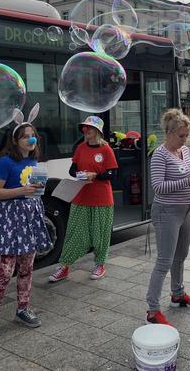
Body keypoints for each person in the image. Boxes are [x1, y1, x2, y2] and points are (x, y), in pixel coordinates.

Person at [0, 104, 52, 342]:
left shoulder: (34, 160)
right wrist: (22, 189)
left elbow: (33, 192)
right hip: (10, 220)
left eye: (33, 136)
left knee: (27, 267)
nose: (31, 139)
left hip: (29, 217)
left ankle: (23, 309)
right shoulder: (5, 162)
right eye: (26, 136)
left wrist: (36, 191)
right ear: (16, 140)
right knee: (4, 270)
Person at [146, 108, 190, 326]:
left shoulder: (185, 151)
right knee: (164, 261)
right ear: (169, 133)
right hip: (167, 212)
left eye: (186, 136)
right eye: (181, 136)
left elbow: (188, 175)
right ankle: (153, 309)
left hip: (185, 209)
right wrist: (187, 182)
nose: (184, 140)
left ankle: (178, 293)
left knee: (181, 255)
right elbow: (158, 187)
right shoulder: (159, 154)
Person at [49, 116, 118, 282]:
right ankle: (64, 266)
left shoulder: (106, 150)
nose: (86, 131)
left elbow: (113, 174)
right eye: (85, 128)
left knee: (100, 234)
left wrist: (96, 175)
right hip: (81, 197)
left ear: (97, 132)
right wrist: (79, 175)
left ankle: (100, 264)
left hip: (102, 199)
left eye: (90, 128)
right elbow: (72, 170)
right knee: (74, 234)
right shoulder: (80, 148)